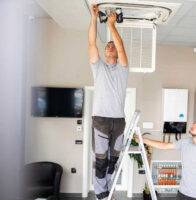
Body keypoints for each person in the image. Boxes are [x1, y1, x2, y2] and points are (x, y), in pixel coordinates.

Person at [88, 4, 129, 200]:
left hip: (119, 121)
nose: (110, 46)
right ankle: (100, 194)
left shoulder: (123, 69)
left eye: (111, 45)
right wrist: (94, 18)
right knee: (102, 160)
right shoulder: (98, 68)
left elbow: (120, 46)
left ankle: (109, 190)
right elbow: (91, 44)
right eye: (107, 46)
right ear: (104, 54)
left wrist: (113, 26)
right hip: (101, 120)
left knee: (114, 160)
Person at [135, 119, 196, 200]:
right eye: (195, 123)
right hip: (182, 193)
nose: (193, 125)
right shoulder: (185, 142)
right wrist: (143, 140)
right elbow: (164, 146)